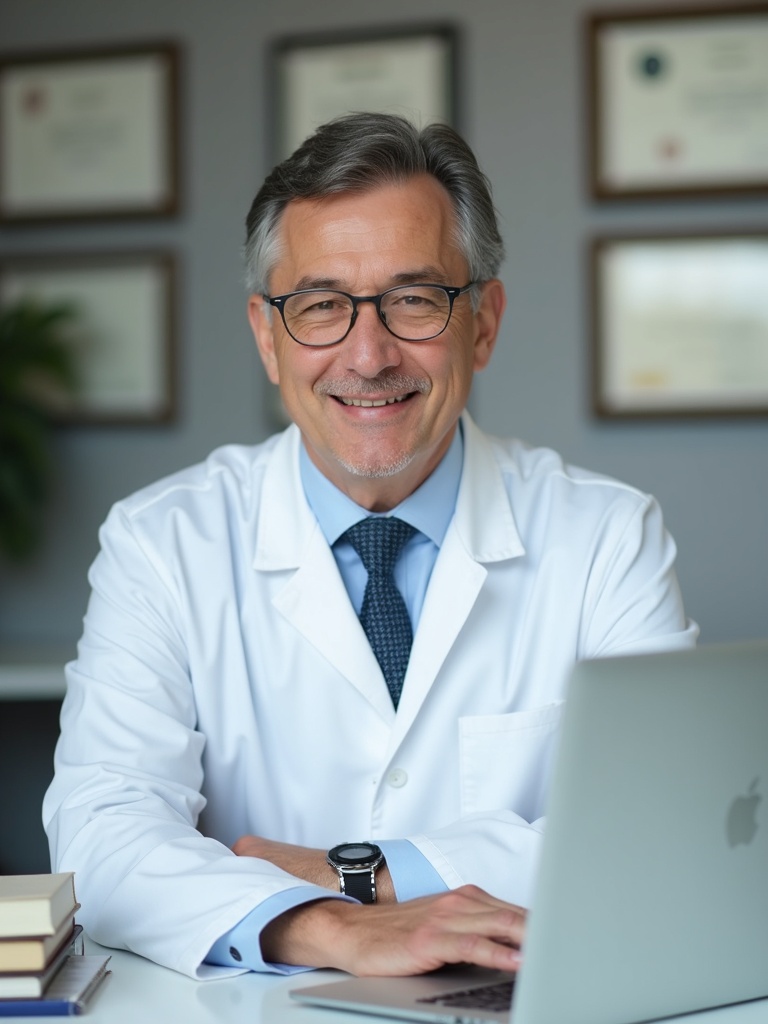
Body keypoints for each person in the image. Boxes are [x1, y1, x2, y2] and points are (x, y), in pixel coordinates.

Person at [43, 113, 697, 980]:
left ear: (485, 322)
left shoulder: (606, 534)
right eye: (319, 306)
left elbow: (661, 824)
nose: (368, 352)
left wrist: (357, 873)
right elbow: (103, 829)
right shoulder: (161, 541)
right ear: (267, 337)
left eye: (414, 300)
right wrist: (326, 924)